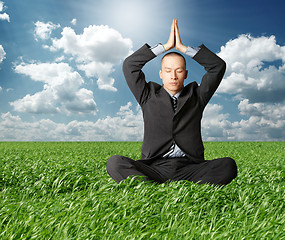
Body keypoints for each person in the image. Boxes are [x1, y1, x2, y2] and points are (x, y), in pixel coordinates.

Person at [106, 19, 237, 185]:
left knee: (228, 165)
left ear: (186, 74)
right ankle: (150, 187)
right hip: (154, 167)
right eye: (168, 71)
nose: (173, 76)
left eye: (179, 71)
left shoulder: (197, 95)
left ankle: (154, 187)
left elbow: (217, 66)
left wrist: (183, 48)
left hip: (190, 168)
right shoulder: (147, 95)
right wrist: (165, 47)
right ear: (160, 73)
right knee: (115, 163)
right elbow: (130, 65)